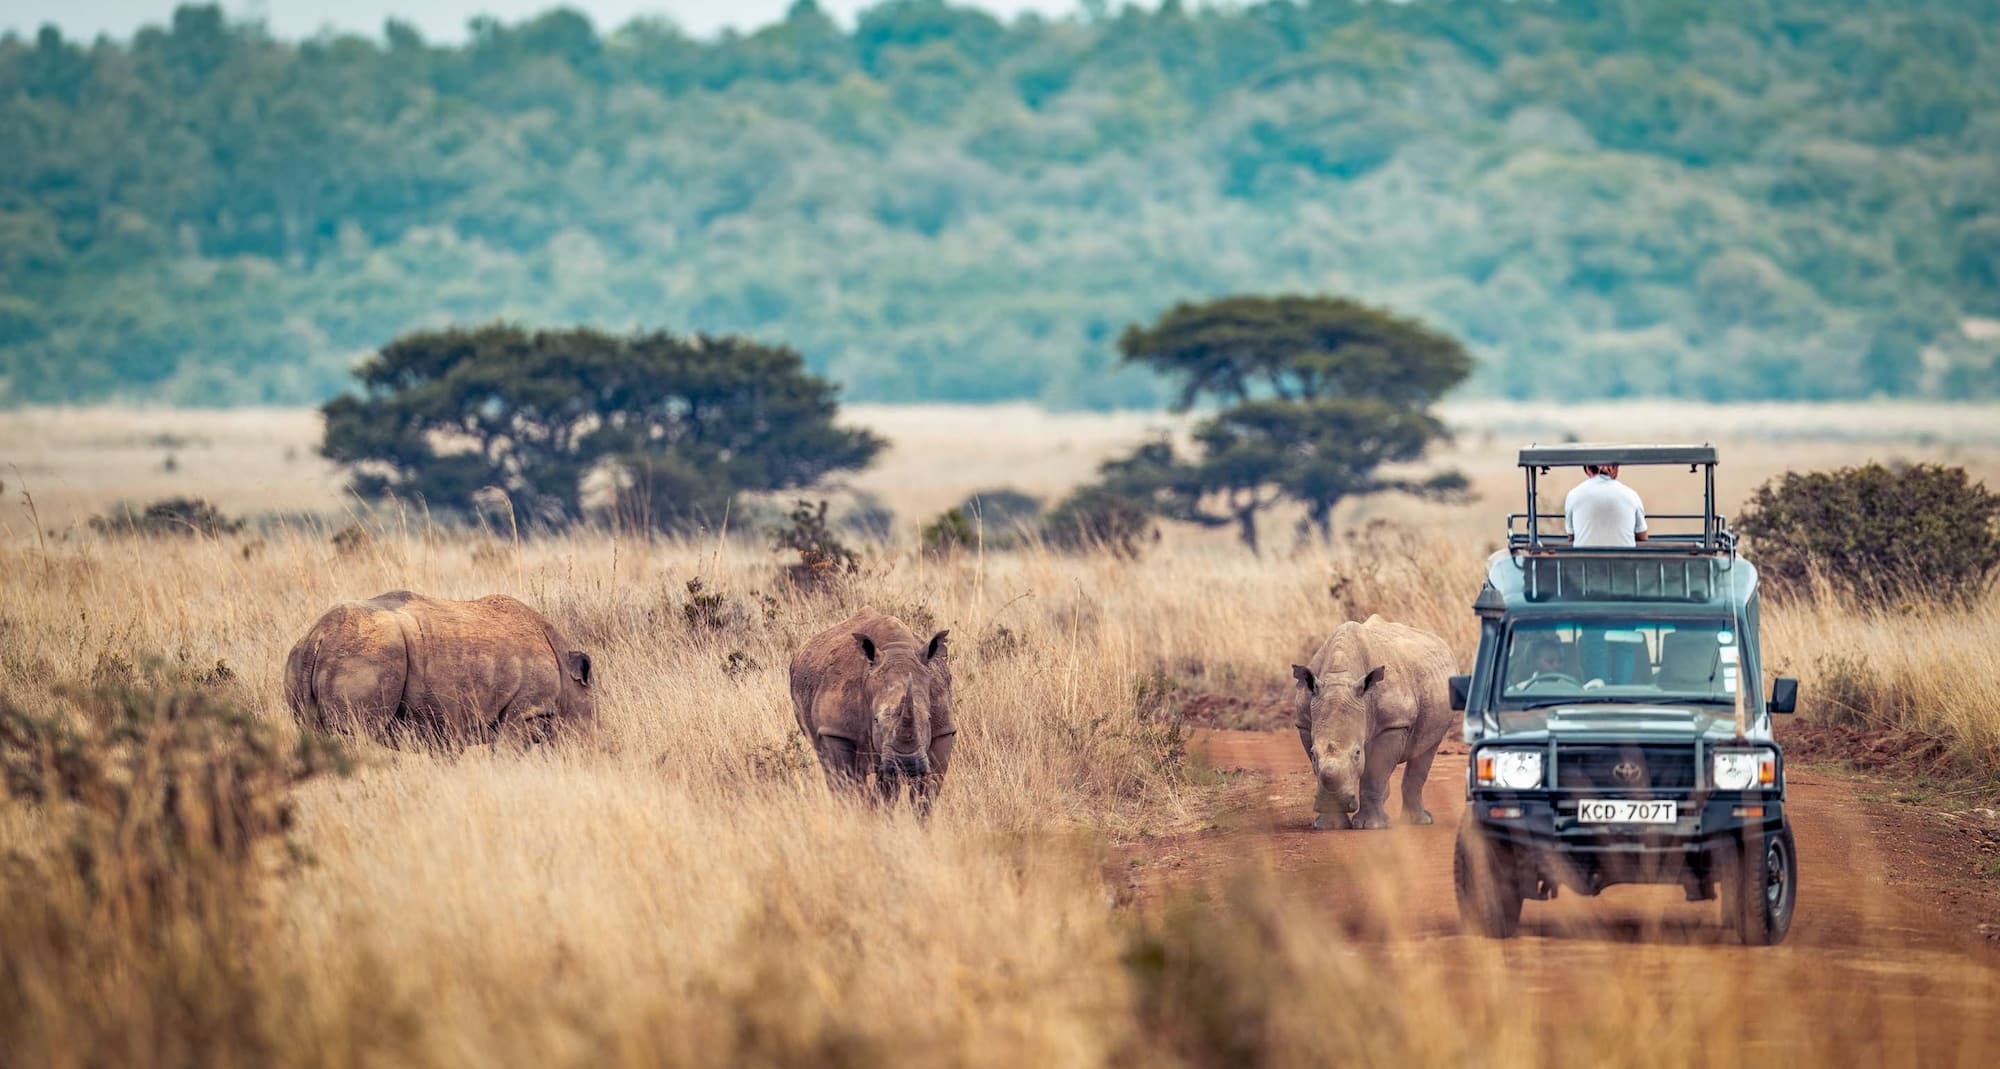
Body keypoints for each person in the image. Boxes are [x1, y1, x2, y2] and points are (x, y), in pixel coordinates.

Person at [1564, 463, 1648, 547]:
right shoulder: (1631, 495)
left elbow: (1571, 536)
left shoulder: (1573, 494)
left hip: (1585, 559)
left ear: (1588, 469)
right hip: (1623, 559)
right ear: (1613, 468)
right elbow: (1642, 536)